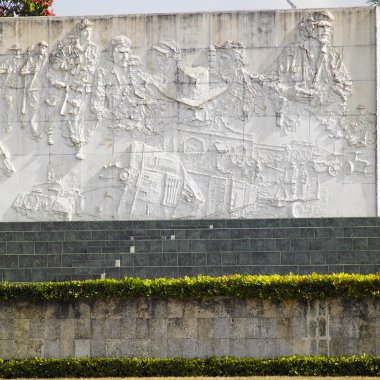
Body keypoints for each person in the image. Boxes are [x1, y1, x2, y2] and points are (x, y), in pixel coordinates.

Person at [269, 10, 352, 134]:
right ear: (310, 29)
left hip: (323, 124)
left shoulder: (333, 56)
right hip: (293, 121)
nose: (326, 31)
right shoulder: (291, 52)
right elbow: (268, 82)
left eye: (328, 27)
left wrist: (325, 96)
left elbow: (346, 86)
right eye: (321, 26)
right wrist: (287, 91)